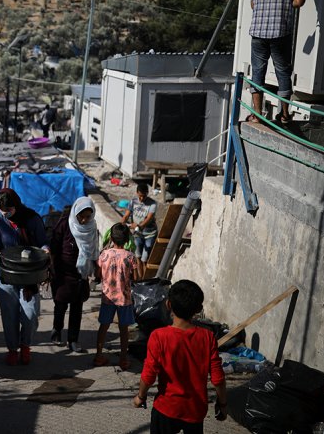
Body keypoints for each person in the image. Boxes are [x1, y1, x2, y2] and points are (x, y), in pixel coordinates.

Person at [133, 280, 228, 433]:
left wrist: (140, 397)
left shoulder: (158, 336)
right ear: (199, 309)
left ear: (168, 304)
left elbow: (149, 374)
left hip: (166, 408)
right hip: (195, 411)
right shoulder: (207, 337)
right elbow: (218, 378)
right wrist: (222, 405)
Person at [0, 188, 49, 366]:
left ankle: (26, 345)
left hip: (29, 277)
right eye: (2, 210)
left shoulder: (32, 219)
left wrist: (46, 251)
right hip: (6, 276)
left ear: (16, 205)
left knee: (31, 314)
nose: (5, 213)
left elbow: (43, 241)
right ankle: (12, 349)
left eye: (9, 210)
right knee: (9, 316)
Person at [249, 0, 305, 125]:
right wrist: (285, 5)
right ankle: (285, 115)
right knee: (282, 71)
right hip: (280, 32)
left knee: (257, 72)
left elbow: (253, 4)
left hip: (258, 32)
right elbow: (299, 1)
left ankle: (257, 115)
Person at [49, 196, 98, 353]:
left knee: (77, 309)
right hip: (63, 274)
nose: (84, 220)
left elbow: (94, 250)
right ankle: (57, 329)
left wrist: (96, 270)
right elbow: (54, 248)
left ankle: (73, 340)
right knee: (60, 305)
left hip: (80, 275)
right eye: (81, 216)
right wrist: (51, 269)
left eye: (88, 217)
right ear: (75, 213)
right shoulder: (65, 224)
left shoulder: (92, 228)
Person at [94, 222, 138, 370]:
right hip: (124, 299)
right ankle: (123, 359)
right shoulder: (130, 256)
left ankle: (98, 356)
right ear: (127, 240)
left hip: (107, 297)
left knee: (103, 326)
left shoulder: (104, 255)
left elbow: (98, 274)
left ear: (111, 238)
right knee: (123, 329)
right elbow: (136, 277)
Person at [121, 183, 157, 280]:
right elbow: (126, 215)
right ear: (137, 193)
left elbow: (148, 219)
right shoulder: (133, 202)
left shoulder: (152, 204)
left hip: (149, 234)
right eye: (140, 196)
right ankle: (140, 279)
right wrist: (122, 222)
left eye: (144, 196)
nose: (141, 198)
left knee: (145, 259)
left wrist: (138, 226)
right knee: (137, 257)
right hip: (137, 234)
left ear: (147, 193)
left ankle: (145, 279)